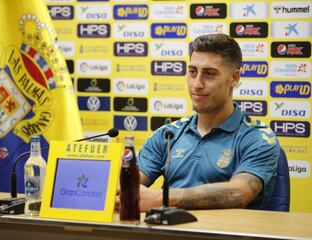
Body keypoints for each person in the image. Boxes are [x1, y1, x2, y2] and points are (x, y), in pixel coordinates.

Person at [119, 33, 280, 211]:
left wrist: (162, 198)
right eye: (192, 72)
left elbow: (238, 194)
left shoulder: (258, 138)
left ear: (234, 78)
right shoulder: (167, 135)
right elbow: (124, 185)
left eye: (209, 74)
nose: (197, 84)